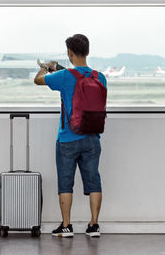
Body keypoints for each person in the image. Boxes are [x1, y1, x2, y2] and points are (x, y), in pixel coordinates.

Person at [33, 34, 107, 237]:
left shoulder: (64, 77)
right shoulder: (99, 77)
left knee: (65, 182)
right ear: (88, 51)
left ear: (70, 53)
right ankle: (94, 225)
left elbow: (37, 80)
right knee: (94, 181)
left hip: (67, 138)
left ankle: (66, 226)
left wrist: (47, 67)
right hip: (92, 137)